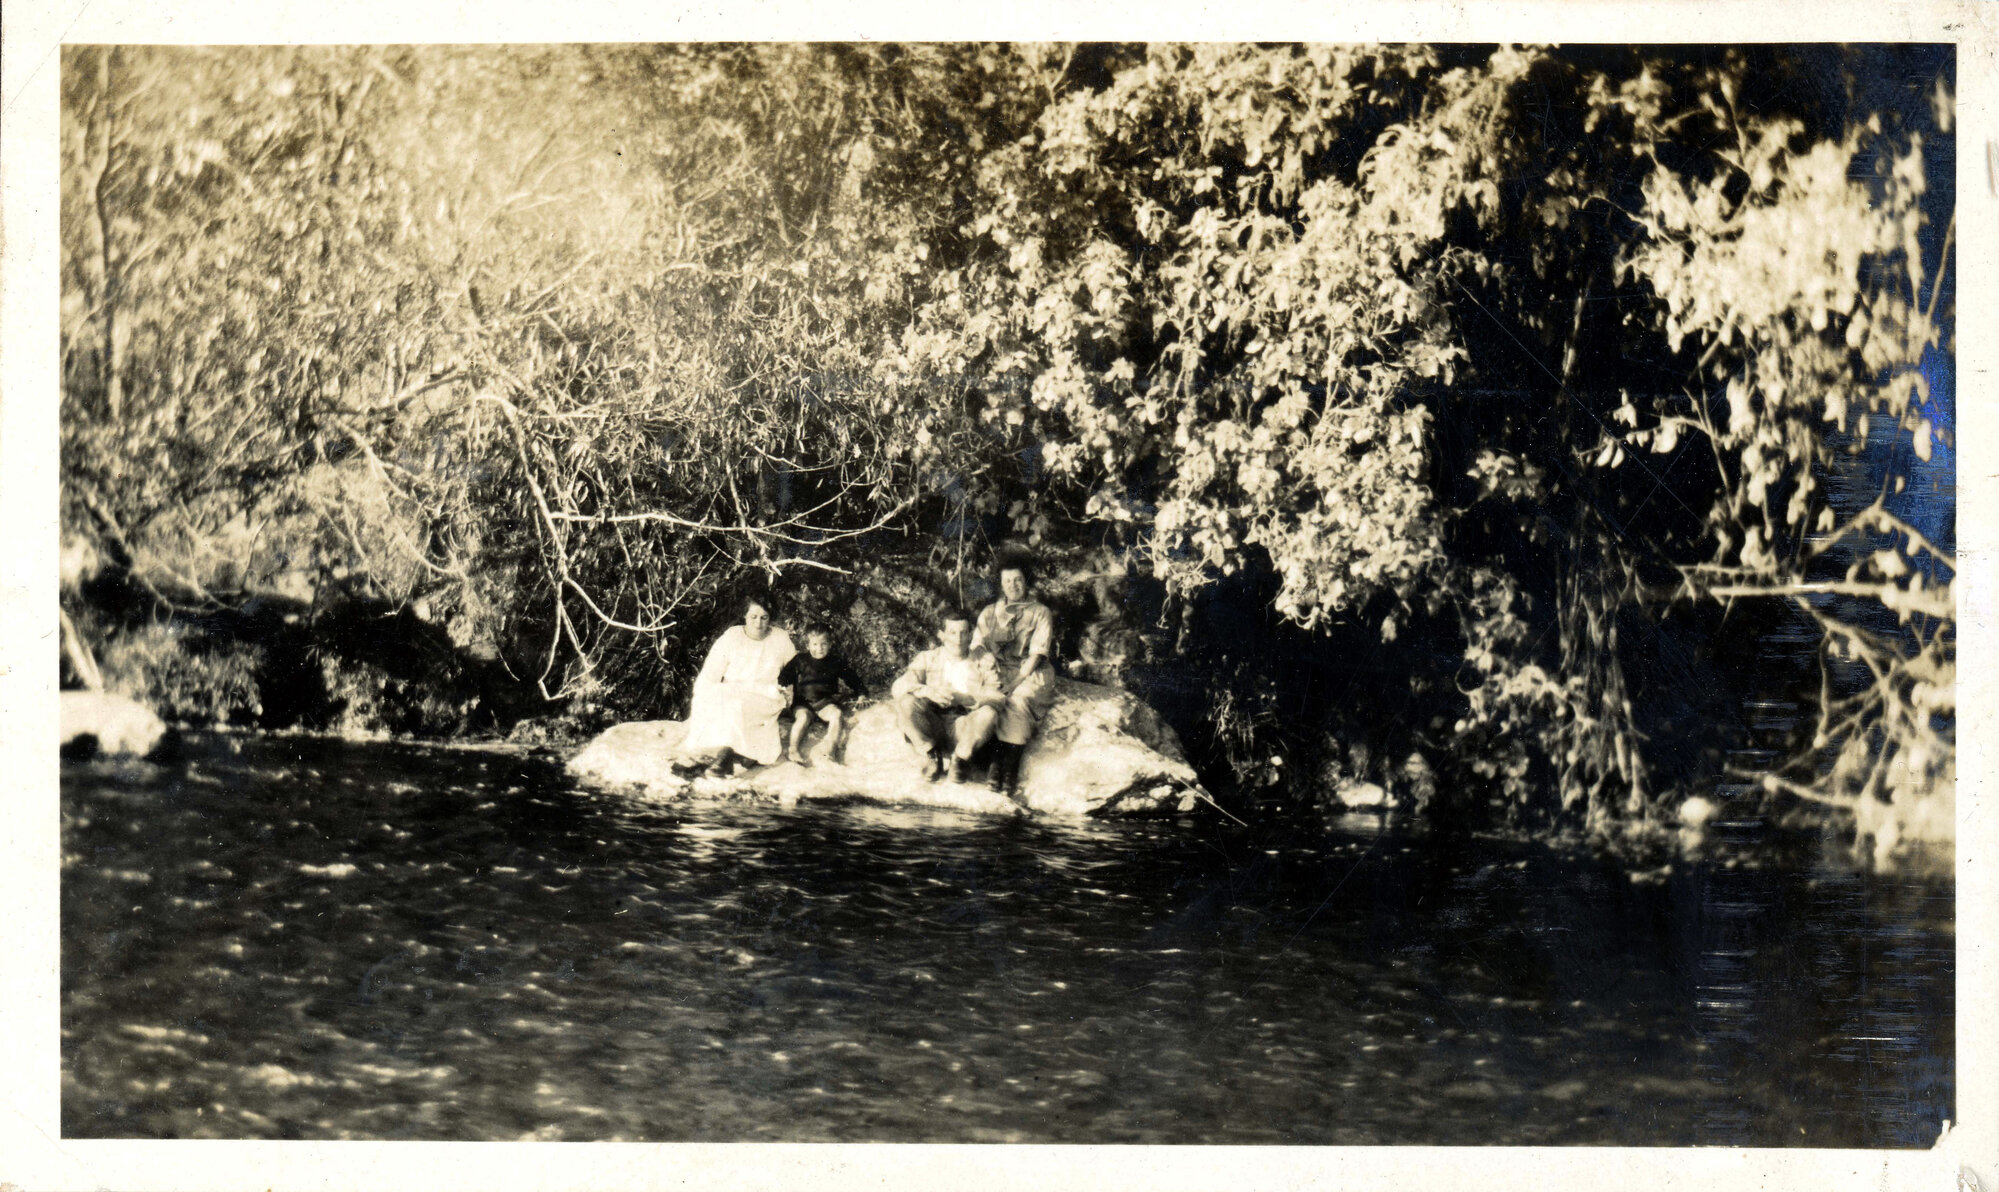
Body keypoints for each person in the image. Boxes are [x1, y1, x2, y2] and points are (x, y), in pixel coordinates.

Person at [677, 597, 796, 773]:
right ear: (745, 616)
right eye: (753, 616)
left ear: (770, 618)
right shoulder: (732, 637)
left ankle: (725, 756)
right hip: (731, 692)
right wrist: (704, 696)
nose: (758, 623)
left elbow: (795, 671)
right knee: (717, 698)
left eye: (764, 617)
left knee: (733, 704)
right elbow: (710, 674)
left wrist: (790, 693)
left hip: (766, 697)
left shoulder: (780, 638)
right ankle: (703, 755)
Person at [891, 608, 1004, 784]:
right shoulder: (927, 658)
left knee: (989, 713)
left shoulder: (983, 660)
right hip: (933, 723)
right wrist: (928, 691)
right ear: (941, 635)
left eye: (963, 633)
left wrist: (964, 698)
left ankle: (960, 760)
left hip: (964, 727)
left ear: (970, 634)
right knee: (906, 701)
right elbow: (898, 686)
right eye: (952, 633)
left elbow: (997, 696)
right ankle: (932, 756)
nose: (958, 639)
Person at [973, 560, 1057, 795]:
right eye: (1007, 581)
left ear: (1026, 582)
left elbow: (1037, 655)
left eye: (1018, 580)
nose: (1013, 585)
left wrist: (1013, 684)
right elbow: (976, 644)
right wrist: (985, 659)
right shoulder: (990, 612)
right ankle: (992, 765)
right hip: (996, 671)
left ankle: (1007, 770)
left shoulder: (1040, 612)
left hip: (1029, 673)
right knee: (986, 700)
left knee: (1016, 702)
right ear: (1001, 584)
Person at [777, 622, 864, 766]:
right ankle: (792, 749)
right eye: (815, 644)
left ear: (830, 644)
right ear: (808, 644)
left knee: (836, 714)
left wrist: (861, 693)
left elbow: (852, 678)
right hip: (803, 703)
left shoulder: (835, 661)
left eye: (823, 644)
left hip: (825, 702)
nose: (819, 648)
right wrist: (782, 689)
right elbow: (784, 677)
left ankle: (830, 748)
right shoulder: (800, 660)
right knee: (803, 718)